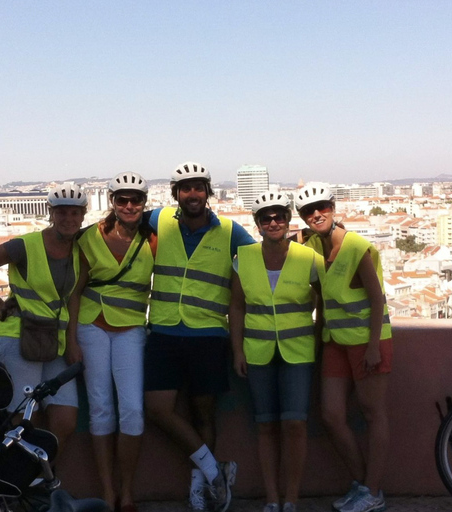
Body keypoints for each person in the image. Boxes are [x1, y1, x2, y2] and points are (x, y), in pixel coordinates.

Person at [144, 162, 256, 512]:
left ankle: (201, 485)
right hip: (163, 330)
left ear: (208, 191)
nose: (192, 194)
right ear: (175, 193)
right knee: (157, 409)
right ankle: (214, 470)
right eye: (185, 188)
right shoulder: (159, 219)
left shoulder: (229, 231)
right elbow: (120, 219)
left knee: (204, 415)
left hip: (208, 334)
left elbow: (260, 257)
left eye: (199, 187)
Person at [0, 181, 87, 447]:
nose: (68, 218)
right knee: (20, 420)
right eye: (62, 212)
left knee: (65, 419)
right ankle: (20, 484)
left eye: (74, 213)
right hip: (20, 337)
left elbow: (73, 297)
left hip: (56, 341)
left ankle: (45, 478)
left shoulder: (79, 251)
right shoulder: (25, 245)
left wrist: (73, 340)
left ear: (83, 216)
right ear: (50, 213)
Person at [295, 183, 392, 512]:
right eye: (309, 211)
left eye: (322, 207)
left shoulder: (355, 247)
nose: (316, 214)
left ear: (333, 208)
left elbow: (377, 298)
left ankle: (374, 490)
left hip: (368, 341)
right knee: (332, 415)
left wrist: (375, 346)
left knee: (373, 413)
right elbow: (321, 299)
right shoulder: (312, 248)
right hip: (334, 342)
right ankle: (362, 483)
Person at [66, 172, 155, 512]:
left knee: (132, 409)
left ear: (144, 204)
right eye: (122, 199)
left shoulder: (152, 239)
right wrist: (72, 337)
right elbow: (75, 291)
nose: (129, 205)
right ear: (112, 202)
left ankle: (127, 489)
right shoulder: (89, 238)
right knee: (101, 408)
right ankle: (108, 491)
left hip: (132, 327)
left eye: (135, 200)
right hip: (92, 325)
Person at [229, 193, 323, 512]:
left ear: (287, 220)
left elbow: (322, 300)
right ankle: (272, 498)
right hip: (257, 352)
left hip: (298, 351)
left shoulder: (307, 256)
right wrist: (238, 350)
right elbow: (237, 306)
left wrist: (321, 338)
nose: (273, 223)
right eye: (266, 218)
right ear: (257, 224)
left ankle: (292, 498)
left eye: (279, 216)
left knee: (295, 424)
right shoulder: (243, 257)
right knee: (266, 425)